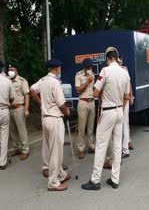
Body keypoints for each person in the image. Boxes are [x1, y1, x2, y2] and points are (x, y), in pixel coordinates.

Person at [81, 47, 130, 190]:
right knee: (117, 146)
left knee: (101, 145)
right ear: (117, 58)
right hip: (119, 111)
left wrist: (103, 93)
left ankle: (95, 181)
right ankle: (115, 179)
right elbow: (126, 96)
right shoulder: (125, 73)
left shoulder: (105, 71)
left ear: (108, 59)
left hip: (107, 112)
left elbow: (95, 93)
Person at [30, 58, 71, 191]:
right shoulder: (55, 83)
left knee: (53, 149)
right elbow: (61, 103)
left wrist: (42, 104)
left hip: (46, 118)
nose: (60, 70)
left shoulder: (43, 81)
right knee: (56, 152)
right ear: (57, 68)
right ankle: (53, 182)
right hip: (55, 119)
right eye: (59, 68)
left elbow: (32, 89)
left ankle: (61, 174)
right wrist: (67, 112)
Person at [7, 63, 30, 160]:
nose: (10, 71)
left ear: (16, 71)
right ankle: (16, 148)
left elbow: (27, 95)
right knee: (12, 130)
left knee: (21, 130)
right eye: (9, 70)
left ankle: (25, 150)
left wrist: (26, 109)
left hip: (19, 108)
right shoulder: (7, 81)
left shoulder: (22, 81)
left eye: (12, 70)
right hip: (9, 109)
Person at [75, 58, 95, 159]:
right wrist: (87, 81)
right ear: (84, 67)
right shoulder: (78, 75)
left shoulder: (93, 75)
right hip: (83, 102)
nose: (89, 68)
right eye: (88, 67)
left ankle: (91, 146)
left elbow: (93, 88)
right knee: (82, 128)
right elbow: (78, 90)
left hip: (92, 102)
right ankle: (81, 149)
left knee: (91, 127)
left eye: (90, 66)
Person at [118, 56, 134, 159]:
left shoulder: (124, 69)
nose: (120, 61)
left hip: (124, 99)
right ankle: (124, 147)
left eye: (120, 59)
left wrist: (131, 96)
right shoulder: (118, 70)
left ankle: (124, 149)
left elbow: (129, 84)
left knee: (123, 124)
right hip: (119, 99)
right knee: (123, 124)